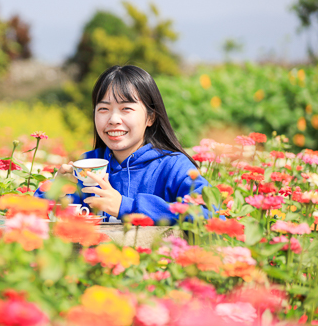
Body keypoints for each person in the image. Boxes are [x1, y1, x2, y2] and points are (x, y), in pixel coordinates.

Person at [35, 65, 211, 225]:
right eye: (103, 109)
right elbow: (34, 216)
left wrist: (125, 206)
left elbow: (208, 212)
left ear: (150, 117)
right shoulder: (88, 164)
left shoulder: (173, 166)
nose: (113, 120)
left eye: (126, 109)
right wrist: (55, 190)